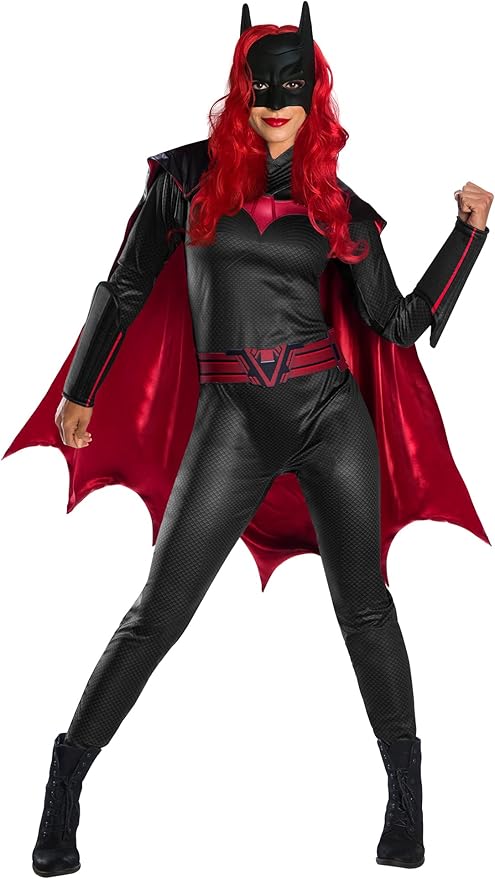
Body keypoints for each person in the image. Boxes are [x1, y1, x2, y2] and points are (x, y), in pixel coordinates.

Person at [3, 3, 491, 875]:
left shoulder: (335, 203)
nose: (275, 102)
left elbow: (396, 322)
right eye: (260, 85)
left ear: (316, 94)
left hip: (329, 416)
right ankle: (65, 780)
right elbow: (124, 285)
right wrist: (80, 389)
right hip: (230, 418)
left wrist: (468, 234)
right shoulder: (185, 180)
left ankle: (405, 797)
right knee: (157, 613)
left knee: (365, 607)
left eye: (292, 87)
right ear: (239, 88)